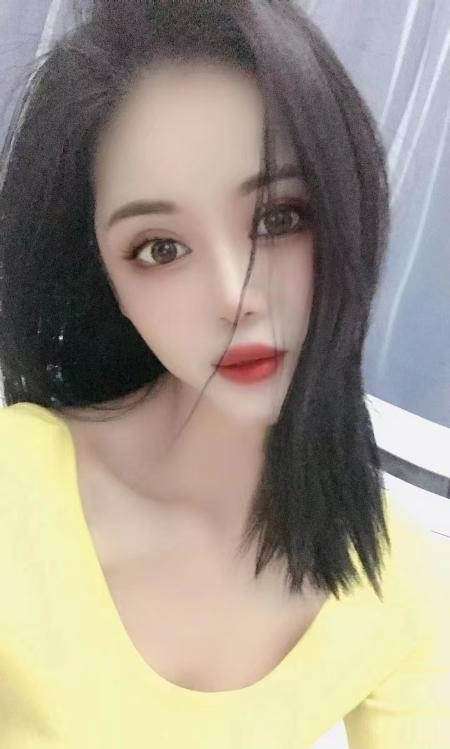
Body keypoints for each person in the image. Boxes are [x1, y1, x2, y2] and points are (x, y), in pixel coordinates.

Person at [0, 1, 448, 747]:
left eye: (278, 218)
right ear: (105, 278)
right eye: (160, 248)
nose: (235, 295)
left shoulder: (405, 586)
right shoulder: (14, 483)